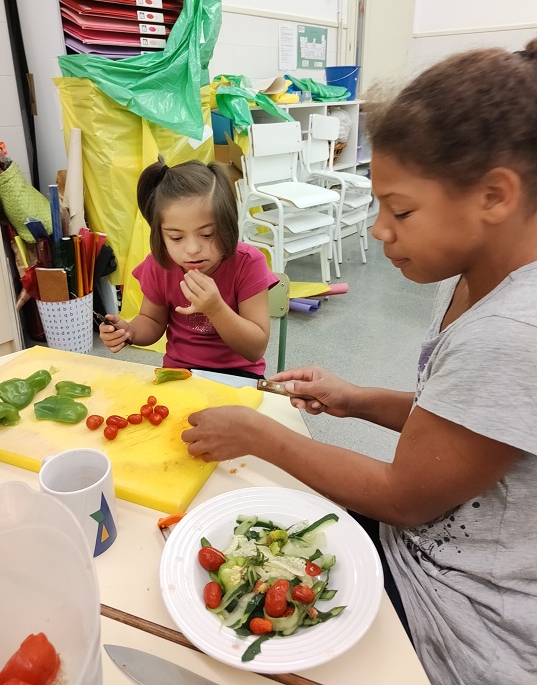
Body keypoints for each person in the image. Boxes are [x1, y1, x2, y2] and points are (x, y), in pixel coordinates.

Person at [181, 40, 537, 685]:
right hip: (421, 552)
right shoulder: (471, 276)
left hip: (459, 614)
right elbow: (460, 423)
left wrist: (260, 434)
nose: (378, 229)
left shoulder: (512, 333)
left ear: (494, 196)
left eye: (401, 211)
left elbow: (404, 497)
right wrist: (357, 399)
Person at [99, 158, 278, 378]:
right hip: (180, 371)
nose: (193, 249)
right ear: (160, 235)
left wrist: (215, 309)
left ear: (228, 225)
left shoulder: (248, 263)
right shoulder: (160, 265)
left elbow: (255, 349)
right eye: (176, 238)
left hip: (239, 375)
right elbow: (152, 321)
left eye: (207, 234)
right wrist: (129, 331)